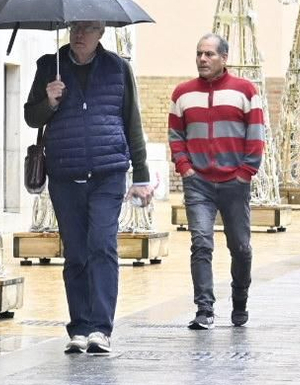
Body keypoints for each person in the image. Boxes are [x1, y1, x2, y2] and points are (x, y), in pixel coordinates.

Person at [24, 20, 153, 356]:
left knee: (101, 245)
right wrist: (49, 101)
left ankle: (100, 328)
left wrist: (141, 176)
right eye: (75, 28)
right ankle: (79, 328)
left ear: (101, 34)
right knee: (76, 252)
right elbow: (31, 117)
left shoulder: (118, 69)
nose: (80, 34)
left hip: (108, 173)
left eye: (88, 29)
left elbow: (132, 122)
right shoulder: (49, 66)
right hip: (65, 173)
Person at [168, 33, 265, 330]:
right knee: (200, 243)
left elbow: (256, 135)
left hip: (235, 183)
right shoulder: (182, 94)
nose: (202, 59)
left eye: (209, 54)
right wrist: (185, 168)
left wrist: (245, 173)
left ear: (224, 58)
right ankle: (204, 308)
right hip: (198, 183)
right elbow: (175, 136)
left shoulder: (245, 91)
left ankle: (240, 299)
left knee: (241, 247)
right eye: (199, 54)